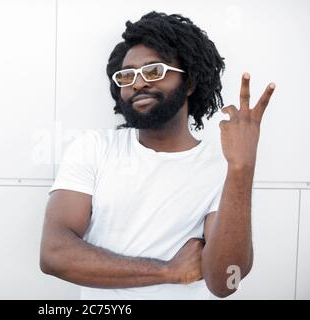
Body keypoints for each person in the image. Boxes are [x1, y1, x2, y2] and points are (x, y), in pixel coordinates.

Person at [40, 11, 275, 299]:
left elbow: (226, 282)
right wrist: (168, 271)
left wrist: (242, 168)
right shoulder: (93, 148)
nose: (138, 83)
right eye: (127, 76)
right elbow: (53, 254)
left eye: (154, 71)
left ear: (189, 83)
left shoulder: (219, 169)